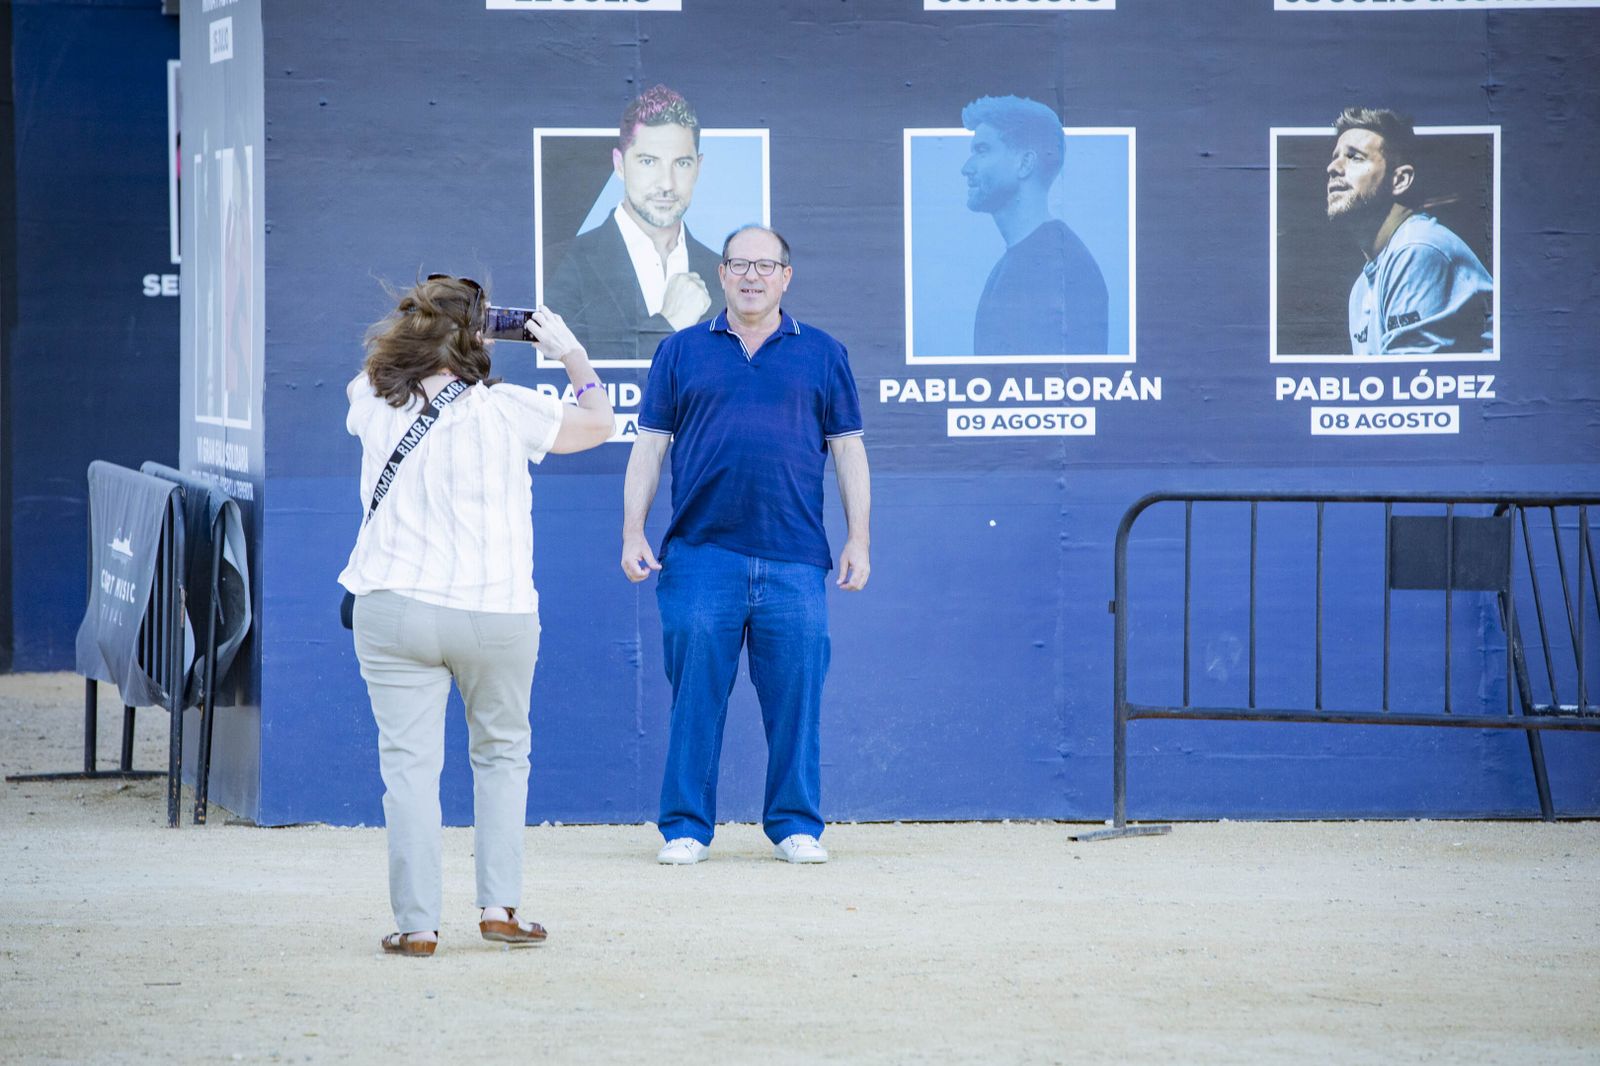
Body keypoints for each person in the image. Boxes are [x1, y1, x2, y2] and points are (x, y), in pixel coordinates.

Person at [339, 275, 614, 956]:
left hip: (394, 607)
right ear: (479, 340)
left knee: (407, 769)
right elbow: (601, 424)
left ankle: (418, 926)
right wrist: (572, 354)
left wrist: (424, 331)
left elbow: (375, 371)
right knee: (500, 759)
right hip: (496, 613)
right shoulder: (511, 409)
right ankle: (499, 908)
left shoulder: (371, 400)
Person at [621, 226, 871, 866]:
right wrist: (632, 531)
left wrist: (859, 539)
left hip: (794, 557)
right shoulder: (680, 352)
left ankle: (795, 823)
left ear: (787, 276)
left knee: (796, 698)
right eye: (739, 264)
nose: (752, 276)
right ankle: (684, 828)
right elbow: (649, 447)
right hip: (701, 555)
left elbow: (848, 451)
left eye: (766, 265)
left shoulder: (822, 353)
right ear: (722, 274)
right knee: (695, 697)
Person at [544, 85, 721, 361]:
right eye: (649, 161)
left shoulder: (723, 274)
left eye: (682, 163)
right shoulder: (561, 263)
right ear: (619, 164)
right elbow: (562, 373)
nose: (666, 183)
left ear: (698, 167)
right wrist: (668, 323)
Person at [1325, 106, 1493, 355]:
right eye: (1335, 156)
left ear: (1400, 180)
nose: (1332, 167)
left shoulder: (1418, 248)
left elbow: (1406, 383)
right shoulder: (1360, 288)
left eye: (1354, 157)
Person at [961, 95, 1107, 357]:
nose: (966, 168)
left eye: (982, 151)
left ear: (1025, 163)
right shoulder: (1021, 260)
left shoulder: (1059, 268)